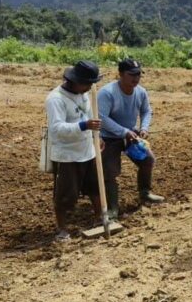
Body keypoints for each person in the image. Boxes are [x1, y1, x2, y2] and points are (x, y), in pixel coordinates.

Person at [98, 59, 164, 220]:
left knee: (147, 160)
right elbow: (102, 117)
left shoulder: (140, 92)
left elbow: (147, 111)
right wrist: (123, 131)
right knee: (109, 172)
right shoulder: (107, 93)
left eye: (138, 74)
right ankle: (112, 207)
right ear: (120, 74)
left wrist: (144, 128)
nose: (136, 78)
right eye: (132, 75)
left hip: (131, 135)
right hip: (109, 137)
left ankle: (145, 192)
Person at [45, 60, 103, 242]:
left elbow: (88, 115)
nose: (89, 87)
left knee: (95, 187)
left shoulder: (83, 93)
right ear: (74, 81)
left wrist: (95, 135)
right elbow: (56, 129)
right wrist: (83, 125)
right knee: (66, 195)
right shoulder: (56, 99)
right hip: (67, 155)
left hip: (87, 149)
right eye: (87, 83)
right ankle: (62, 229)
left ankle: (100, 218)